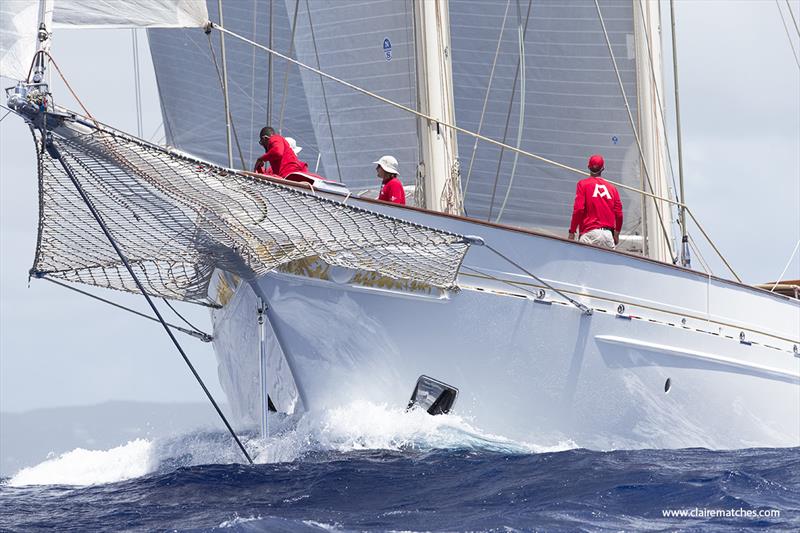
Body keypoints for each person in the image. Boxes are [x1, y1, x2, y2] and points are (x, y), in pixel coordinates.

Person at [568, 154, 623, 249]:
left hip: (589, 234)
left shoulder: (583, 184)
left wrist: (572, 232)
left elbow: (579, 210)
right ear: (603, 168)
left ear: (588, 167)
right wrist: (616, 234)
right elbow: (619, 215)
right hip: (608, 235)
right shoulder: (612, 189)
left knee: (582, 263)